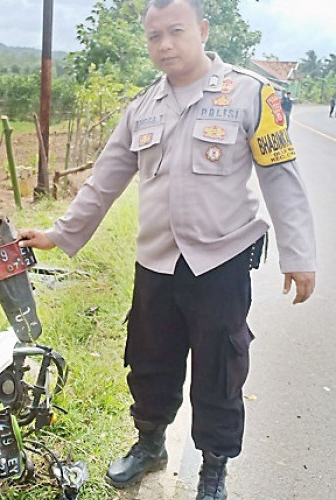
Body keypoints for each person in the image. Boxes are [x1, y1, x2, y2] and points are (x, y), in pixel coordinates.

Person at [18, 1, 316, 499]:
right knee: (150, 360)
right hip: (156, 261)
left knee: (220, 369)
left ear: (201, 30)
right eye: (154, 36)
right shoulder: (142, 107)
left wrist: (298, 255)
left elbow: (280, 178)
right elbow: (104, 181)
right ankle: (150, 443)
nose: (165, 45)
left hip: (220, 261)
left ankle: (214, 468)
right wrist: (58, 234)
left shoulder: (249, 95)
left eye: (175, 31)